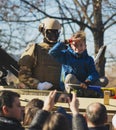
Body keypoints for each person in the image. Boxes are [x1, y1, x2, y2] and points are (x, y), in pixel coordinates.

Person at [18, 17, 61, 90]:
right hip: (40, 94)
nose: (54, 35)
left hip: (63, 94)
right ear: (43, 32)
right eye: (50, 32)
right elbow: (23, 75)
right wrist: (38, 85)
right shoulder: (35, 49)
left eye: (56, 32)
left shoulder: (65, 50)